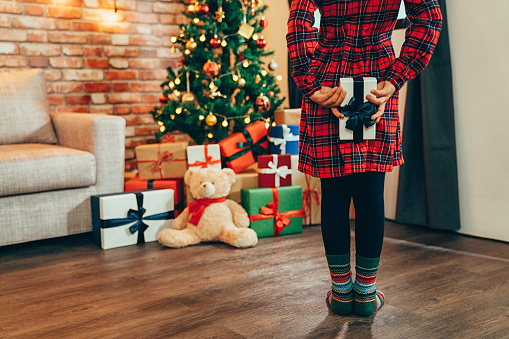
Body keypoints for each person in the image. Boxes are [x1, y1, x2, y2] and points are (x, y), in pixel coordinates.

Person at [287, 0, 442, 317]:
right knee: (371, 193)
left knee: (333, 194)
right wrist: (395, 78)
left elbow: (299, 20)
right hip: (377, 80)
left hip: (328, 79)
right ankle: (367, 293)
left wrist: (311, 83)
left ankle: (342, 294)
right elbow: (429, 18)